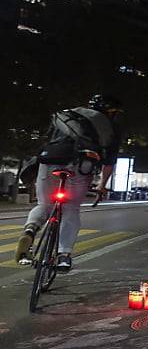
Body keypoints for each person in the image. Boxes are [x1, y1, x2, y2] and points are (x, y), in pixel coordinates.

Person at [14, 95, 122, 271]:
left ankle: (30, 231)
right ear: (111, 112)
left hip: (49, 160)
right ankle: (64, 255)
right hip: (80, 165)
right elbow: (109, 162)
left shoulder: (69, 114)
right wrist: (102, 185)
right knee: (71, 208)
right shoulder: (109, 126)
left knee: (45, 204)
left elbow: (47, 140)